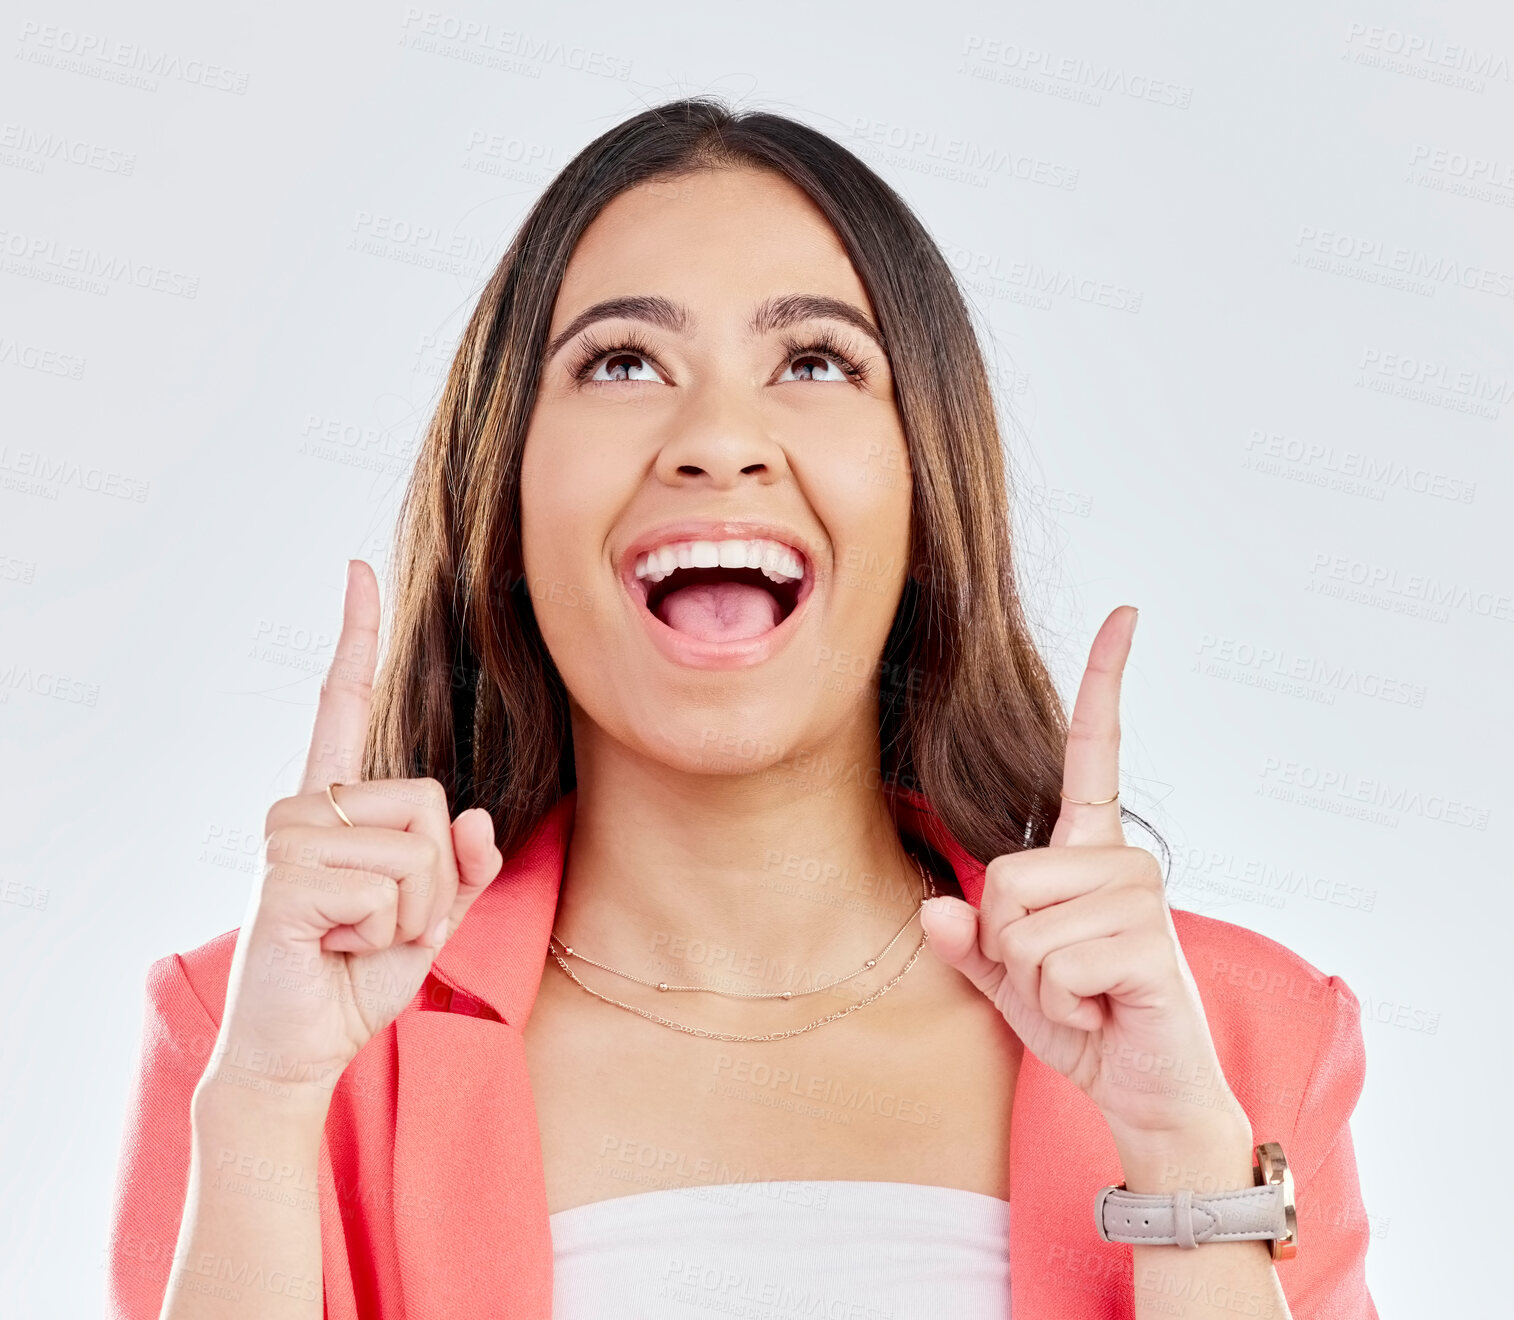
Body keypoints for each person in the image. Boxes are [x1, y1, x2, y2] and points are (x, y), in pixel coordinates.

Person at [107, 96, 1376, 1319]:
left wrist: (1178, 1153)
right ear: (505, 498)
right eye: (620, 362)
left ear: (926, 496)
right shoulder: (262, 1039)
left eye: (815, 360)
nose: (717, 437)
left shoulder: (1234, 1035)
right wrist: (266, 1106)